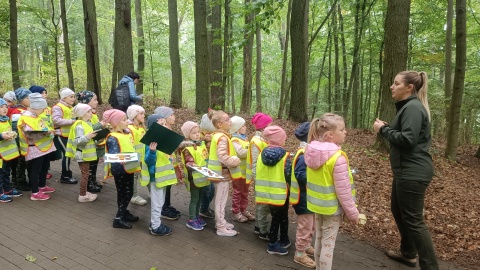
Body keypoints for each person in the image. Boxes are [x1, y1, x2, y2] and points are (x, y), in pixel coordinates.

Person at [373, 71, 439, 270]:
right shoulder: (409, 108)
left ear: (409, 87)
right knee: (399, 210)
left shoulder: (412, 108)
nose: (392, 87)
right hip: (405, 170)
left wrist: (383, 130)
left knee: (414, 220)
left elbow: (408, 140)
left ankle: (430, 266)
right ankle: (408, 254)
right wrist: (388, 127)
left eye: (396, 83)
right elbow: (407, 134)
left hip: (413, 171)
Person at [304, 113, 359, 270]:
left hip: (316, 205)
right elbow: (343, 191)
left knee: (319, 240)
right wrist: (353, 213)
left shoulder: (310, 151)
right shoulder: (337, 158)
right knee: (328, 245)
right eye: (342, 129)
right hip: (331, 209)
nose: (345, 132)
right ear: (330, 135)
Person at [255, 125, 292, 255]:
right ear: (281, 140)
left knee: (276, 217)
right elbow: (289, 176)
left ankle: (283, 238)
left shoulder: (261, 155)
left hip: (266, 193)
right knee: (280, 218)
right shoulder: (285, 156)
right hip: (281, 193)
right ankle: (272, 244)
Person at [103, 109, 140, 229]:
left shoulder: (126, 133)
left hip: (128, 167)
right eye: (124, 120)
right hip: (120, 170)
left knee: (125, 192)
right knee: (125, 193)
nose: (127, 121)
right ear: (116, 123)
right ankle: (118, 218)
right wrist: (127, 158)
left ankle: (123, 212)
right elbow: (114, 156)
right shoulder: (113, 137)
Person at [140, 114, 177, 236]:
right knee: (156, 203)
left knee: (160, 202)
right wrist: (152, 151)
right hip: (155, 178)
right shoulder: (150, 143)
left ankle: (155, 223)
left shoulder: (163, 140)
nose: (164, 126)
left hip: (163, 177)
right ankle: (155, 226)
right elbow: (149, 161)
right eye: (161, 124)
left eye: (165, 124)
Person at [207, 110, 242, 237]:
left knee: (220, 199)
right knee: (221, 200)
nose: (230, 121)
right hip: (221, 175)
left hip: (219, 174)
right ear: (219, 124)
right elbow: (222, 156)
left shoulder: (218, 135)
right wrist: (234, 161)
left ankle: (221, 222)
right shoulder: (222, 137)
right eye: (227, 120)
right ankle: (221, 226)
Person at [17, 93, 57, 201]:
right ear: (35, 108)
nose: (44, 111)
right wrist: (46, 133)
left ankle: (42, 186)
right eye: (42, 109)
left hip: (44, 147)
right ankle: (35, 192)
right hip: (35, 148)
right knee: (36, 170)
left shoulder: (35, 115)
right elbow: (29, 134)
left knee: (44, 166)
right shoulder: (26, 118)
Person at [291, 122, 315, 268]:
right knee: (305, 226)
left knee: (311, 225)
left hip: (309, 196)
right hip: (303, 197)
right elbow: (300, 174)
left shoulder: (309, 151)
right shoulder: (304, 153)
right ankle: (299, 253)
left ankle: (306, 246)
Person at [179, 121, 210, 231]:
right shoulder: (188, 148)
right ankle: (191, 219)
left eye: (198, 132)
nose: (197, 134)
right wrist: (194, 165)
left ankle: (197, 216)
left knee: (200, 197)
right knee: (195, 198)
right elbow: (189, 162)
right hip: (194, 178)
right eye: (194, 133)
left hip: (202, 177)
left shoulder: (201, 145)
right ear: (188, 135)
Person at [65, 104, 99, 203]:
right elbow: (78, 141)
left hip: (86, 154)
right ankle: (82, 195)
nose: (91, 113)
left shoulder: (86, 123)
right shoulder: (79, 125)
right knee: (85, 175)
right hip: (83, 155)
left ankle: (85, 192)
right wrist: (88, 136)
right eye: (88, 112)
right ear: (82, 114)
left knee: (86, 173)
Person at [153, 106, 182, 220]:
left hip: (170, 161)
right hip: (164, 163)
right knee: (165, 185)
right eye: (171, 115)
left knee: (169, 185)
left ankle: (167, 205)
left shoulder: (168, 128)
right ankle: (163, 208)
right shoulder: (163, 130)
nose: (174, 117)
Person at [248, 112, 273, 239]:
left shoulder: (262, 140)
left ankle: (259, 226)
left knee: (261, 203)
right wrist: (258, 178)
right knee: (263, 204)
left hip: (263, 177)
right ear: (264, 127)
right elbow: (255, 162)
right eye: (270, 125)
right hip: (261, 178)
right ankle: (263, 230)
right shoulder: (256, 141)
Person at [76, 90, 103, 193]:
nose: (97, 102)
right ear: (87, 102)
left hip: (94, 144)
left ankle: (93, 180)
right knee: (90, 165)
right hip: (87, 146)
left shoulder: (93, 113)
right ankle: (89, 184)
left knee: (95, 162)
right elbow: (89, 128)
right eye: (95, 100)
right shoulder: (83, 116)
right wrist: (100, 125)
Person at [230, 116, 255, 223]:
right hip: (238, 172)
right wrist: (252, 149)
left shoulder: (244, 139)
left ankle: (243, 209)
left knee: (245, 192)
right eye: (243, 126)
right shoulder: (234, 140)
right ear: (238, 128)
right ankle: (236, 211)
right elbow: (240, 153)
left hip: (246, 172)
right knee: (238, 192)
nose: (245, 127)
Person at [52, 88, 77, 184]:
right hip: (60, 135)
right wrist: (72, 122)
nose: (73, 99)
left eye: (74, 96)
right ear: (64, 97)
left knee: (69, 154)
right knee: (67, 154)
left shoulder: (71, 108)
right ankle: (65, 175)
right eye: (71, 97)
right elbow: (56, 120)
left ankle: (67, 174)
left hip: (69, 135)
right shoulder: (57, 107)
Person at [29, 85, 54, 180]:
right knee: (36, 166)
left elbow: (50, 120)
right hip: (37, 142)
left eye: (45, 92)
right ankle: (36, 186)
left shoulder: (47, 108)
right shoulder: (34, 111)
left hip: (48, 138)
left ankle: (43, 181)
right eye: (41, 93)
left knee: (45, 162)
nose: (44, 95)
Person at [0, 98, 22, 202]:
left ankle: (7, 189)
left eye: (6, 107)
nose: (4, 109)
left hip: (7, 153)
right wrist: (1, 136)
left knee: (6, 172)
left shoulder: (5, 119)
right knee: (0, 173)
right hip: (0, 154)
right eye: (1, 107)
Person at [126, 105, 147, 205]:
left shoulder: (141, 128)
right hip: (133, 158)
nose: (144, 115)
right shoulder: (129, 128)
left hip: (142, 157)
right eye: (141, 114)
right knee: (133, 177)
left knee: (143, 174)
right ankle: (133, 196)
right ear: (134, 115)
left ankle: (151, 192)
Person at [198, 113, 216, 219]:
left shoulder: (215, 135)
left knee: (212, 189)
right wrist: (205, 140)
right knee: (207, 189)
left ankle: (205, 207)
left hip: (212, 164)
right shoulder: (200, 135)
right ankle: (203, 209)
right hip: (203, 165)